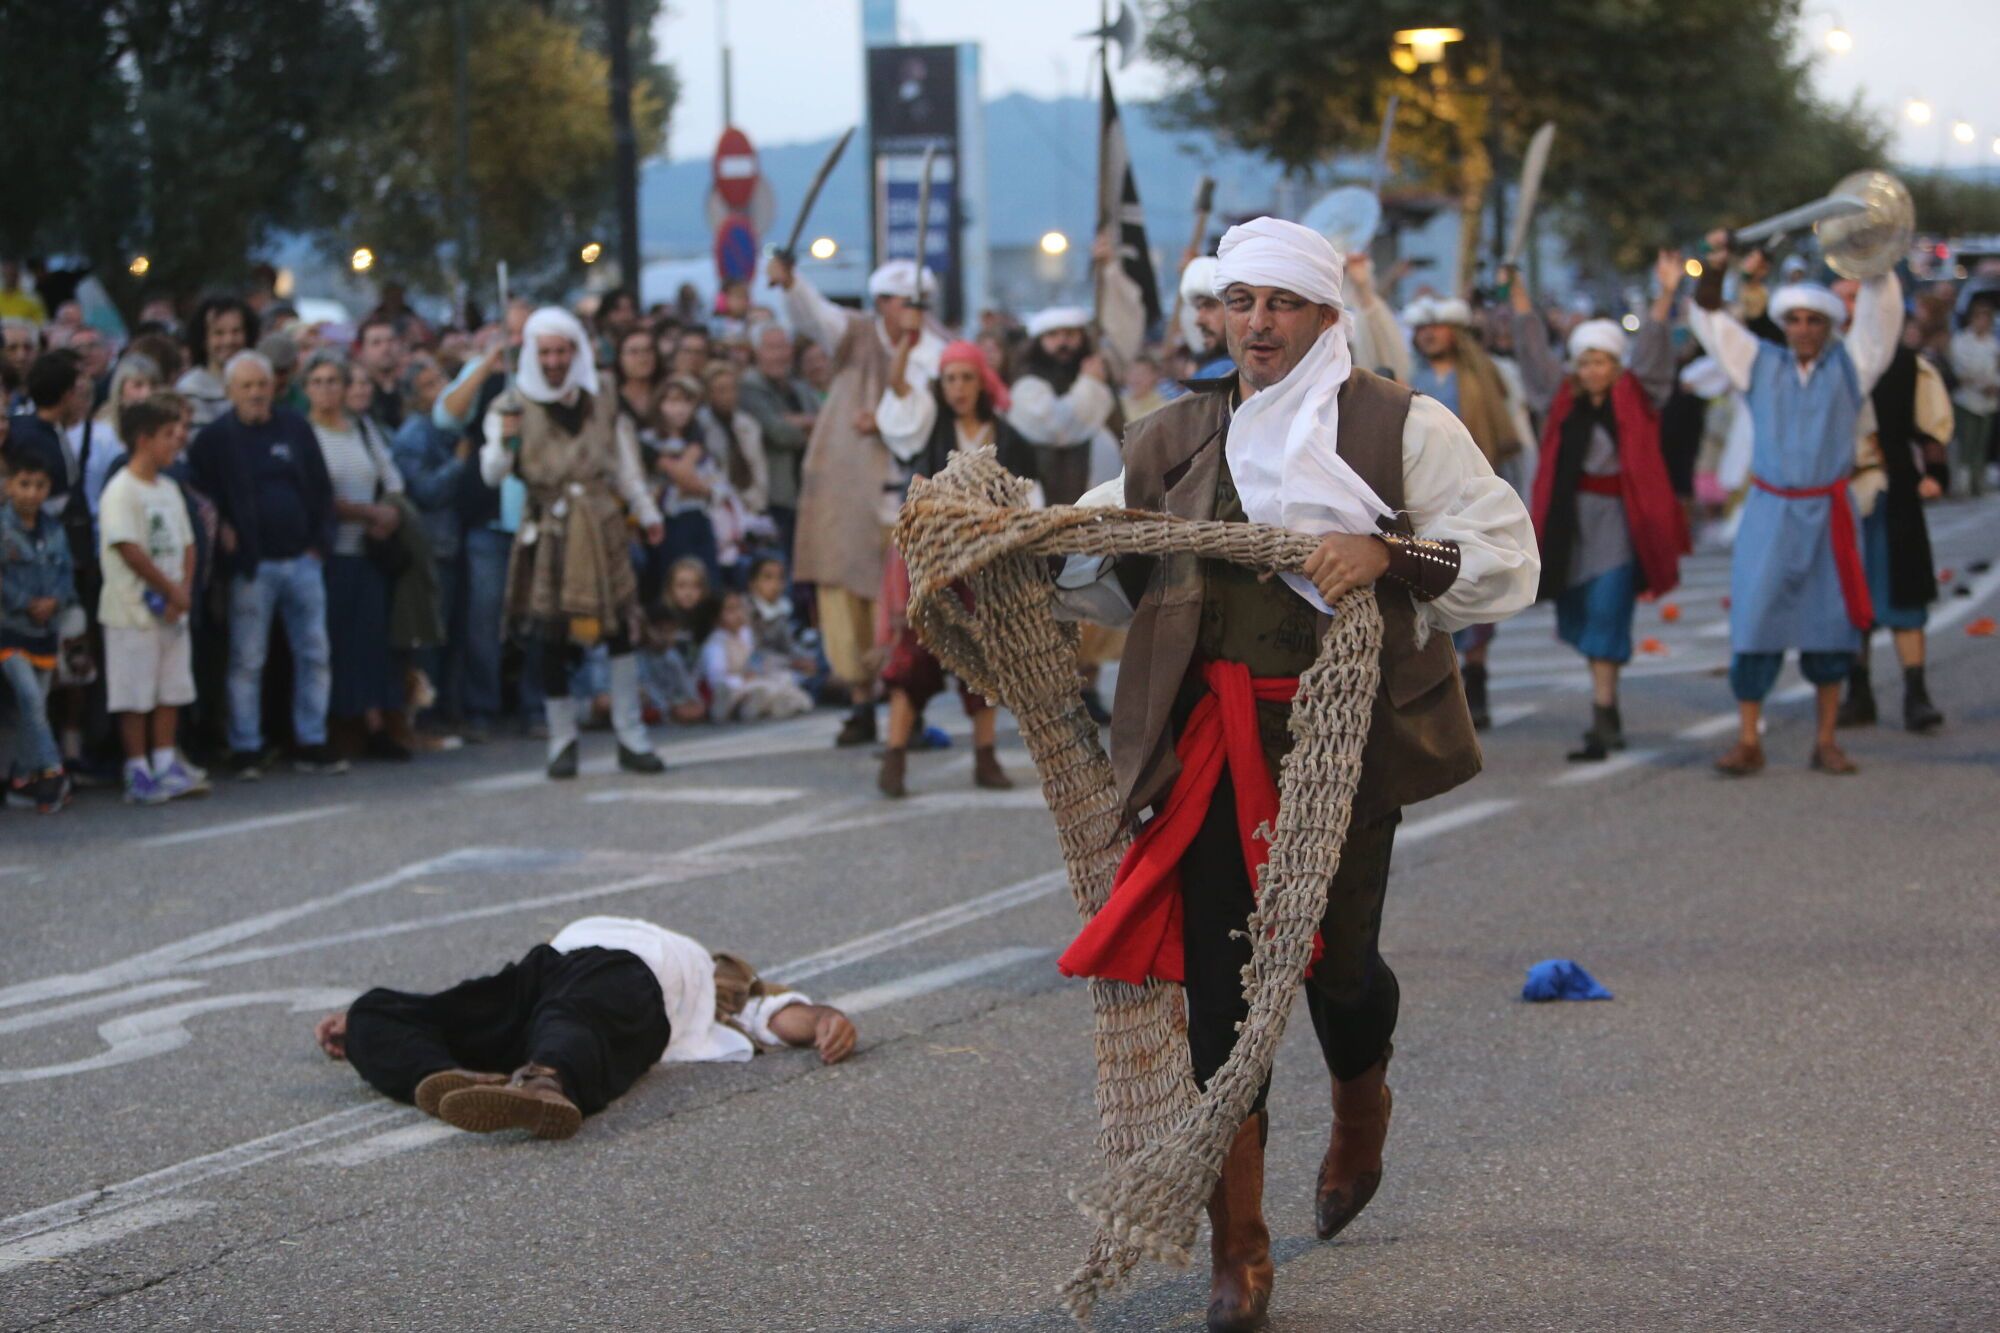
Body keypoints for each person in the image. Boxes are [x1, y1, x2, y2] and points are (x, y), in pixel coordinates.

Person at [1053, 217, 1537, 1332]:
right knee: (1226, 993)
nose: (1255, 324)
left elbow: (1505, 559)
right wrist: (1006, 562)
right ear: (1216, 314)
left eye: (1280, 304)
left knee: (1337, 965)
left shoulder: (1397, 424)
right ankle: (1241, 1248)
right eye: (1239, 303)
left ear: (1326, 316)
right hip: (1212, 744)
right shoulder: (1168, 433)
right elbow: (1094, 563)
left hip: (1344, 741)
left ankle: (1359, 1101)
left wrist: (1387, 552)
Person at [314, 915, 857, 1140]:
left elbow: (783, 1017)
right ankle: (445, 1073)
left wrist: (826, 1020)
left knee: (573, 1018)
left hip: (628, 978)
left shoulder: (718, 990)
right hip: (546, 970)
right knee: (377, 1008)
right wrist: (371, 1024)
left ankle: (544, 1081)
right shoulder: (699, 971)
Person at [1687, 229, 1901, 776]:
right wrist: (1716, 265)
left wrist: (1875, 253)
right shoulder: (1759, 363)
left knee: (1830, 629)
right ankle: (1748, 739)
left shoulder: (1852, 366)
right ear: (1785, 325)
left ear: (1830, 327)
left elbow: (1880, 319)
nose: (1804, 329)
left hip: (1829, 513)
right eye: (1796, 320)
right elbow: (1710, 320)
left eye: (1815, 320)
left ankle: (1826, 739)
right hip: (1770, 512)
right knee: (1755, 623)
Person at [767, 253, 945, 749]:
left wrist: (885, 421)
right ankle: (861, 700)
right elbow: (815, 315)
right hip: (850, 494)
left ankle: (903, 706)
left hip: (906, 501)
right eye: (895, 301)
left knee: (904, 609)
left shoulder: (935, 351)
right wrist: (792, 283)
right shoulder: (855, 337)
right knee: (846, 598)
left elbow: (922, 415)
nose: (903, 310)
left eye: (913, 302)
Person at [479, 306, 666, 779]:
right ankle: (562, 740)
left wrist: (646, 511)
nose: (555, 361)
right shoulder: (512, 405)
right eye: (546, 352)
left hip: (601, 521)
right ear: (532, 354)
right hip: (551, 525)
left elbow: (625, 463)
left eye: (563, 351)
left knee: (620, 628)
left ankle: (631, 736)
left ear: (576, 350)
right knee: (549, 636)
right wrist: (506, 441)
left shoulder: (601, 395)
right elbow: (491, 473)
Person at [1517, 253, 1688, 760]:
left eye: (1601, 362)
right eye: (1585, 361)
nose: (1592, 370)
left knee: (1609, 611)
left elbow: (1656, 352)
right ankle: (1604, 706)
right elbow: (1532, 355)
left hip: (1620, 521)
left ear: (1616, 367)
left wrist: (1665, 294)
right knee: (1578, 614)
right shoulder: (1561, 399)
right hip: (1571, 524)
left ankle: (1604, 715)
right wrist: (1520, 298)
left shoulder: (1638, 396)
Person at [875, 335, 1030, 796]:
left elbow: (1026, 494)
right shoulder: (932, 432)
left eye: (966, 378)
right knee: (912, 656)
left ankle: (985, 756)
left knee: (982, 655)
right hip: (933, 562)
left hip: (984, 565)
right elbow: (914, 485)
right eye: (949, 380)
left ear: (981, 381)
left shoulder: (1007, 435)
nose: (958, 388)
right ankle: (895, 755)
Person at [187, 350, 343, 778]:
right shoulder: (216, 439)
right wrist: (225, 535)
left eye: (262, 385)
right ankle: (245, 746)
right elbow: (198, 494)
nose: (256, 394)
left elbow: (320, 489)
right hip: (252, 568)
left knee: (314, 653)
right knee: (247, 660)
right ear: (229, 392)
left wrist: (319, 544)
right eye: (247, 387)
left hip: (303, 560)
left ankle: (312, 740)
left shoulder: (295, 427)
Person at [1402, 294, 1525, 729]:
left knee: (1475, 582)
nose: (1430, 335)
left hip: (1474, 493)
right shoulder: (1407, 379)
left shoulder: (1487, 377)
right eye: (1422, 329)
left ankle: (1477, 674)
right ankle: (1446, 690)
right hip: (1422, 501)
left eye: (1437, 327)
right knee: (1430, 593)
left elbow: (1511, 434)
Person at [1836, 280, 1952, 733]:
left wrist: (1935, 476)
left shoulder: (1904, 365)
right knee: (1850, 596)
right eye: (1842, 298)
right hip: (1840, 496)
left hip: (1893, 491)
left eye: (1854, 298)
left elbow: (1931, 425)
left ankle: (1915, 693)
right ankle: (1858, 691)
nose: (1848, 307)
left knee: (1903, 591)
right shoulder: (1825, 363)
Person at [98, 394, 207, 803]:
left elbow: (188, 544)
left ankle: (165, 762)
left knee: (169, 690)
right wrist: (169, 588)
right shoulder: (121, 490)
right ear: (143, 439)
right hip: (133, 611)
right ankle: (138, 769)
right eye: (167, 435)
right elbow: (129, 549)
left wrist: (184, 591)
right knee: (135, 693)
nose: (175, 442)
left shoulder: (169, 488)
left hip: (171, 610)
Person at [303, 353, 411, 761]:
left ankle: (376, 724)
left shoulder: (362, 429)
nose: (327, 389)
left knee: (371, 642)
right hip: (330, 553)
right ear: (306, 388)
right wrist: (366, 513)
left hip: (369, 552)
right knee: (332, 643)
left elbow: (391, 477)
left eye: (334, 380)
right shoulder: (306, 434)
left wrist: (390, 511)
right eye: (318, 381)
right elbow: (316, 495)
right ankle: (333, 727)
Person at [0, 453, 77, 813]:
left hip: (44, 631)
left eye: (39, 486)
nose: (31, 493)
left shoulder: (52, 528)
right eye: (24, 484)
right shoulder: (3, 528)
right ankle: (52, 772)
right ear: (9, 485)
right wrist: (24, 601)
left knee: (33, 709)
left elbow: (66, 574)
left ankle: (21, 779)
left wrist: (55, 600)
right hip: (10, 630)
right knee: (30, 698)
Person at [1006, 307, 1118, 507]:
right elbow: (1057, 426)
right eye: (1053, 335)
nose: (1062, 342)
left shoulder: (1098, 376)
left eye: (1070, 334)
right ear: (1038, 341)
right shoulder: (1027, 384)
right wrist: (1090, 384)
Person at [738, 324, 819, 561]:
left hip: (805, 494)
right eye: (772, 348)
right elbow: (779, 433)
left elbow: (826, 425)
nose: (780, 354)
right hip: (775, 496)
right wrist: (805, 425)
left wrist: (799, 421)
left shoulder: (799, 388)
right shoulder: (749, 387)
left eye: (784, 347)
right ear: (756, 352)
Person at [696, 361, 771, 584]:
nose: (728, 396)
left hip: (751, 505)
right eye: (720, 390)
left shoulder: (747, 424)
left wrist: (755, 503)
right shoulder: (700, 425)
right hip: (720, 510)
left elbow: (759, 467)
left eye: (731, 389)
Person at [699, 589, 812, 721]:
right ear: (716, 618)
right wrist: (741, 680)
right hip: (733, 688)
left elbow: (756, 659)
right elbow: (716, 680)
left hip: (751, 678)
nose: (738, 614)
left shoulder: (746, 634)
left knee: (783, 677)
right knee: (756, 689)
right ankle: (745, 707)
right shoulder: (715, 644)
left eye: (739, 607)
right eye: (730, 610)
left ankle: (773, 704)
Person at [85, 353, 163, 520]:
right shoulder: (101, 433)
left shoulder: (164, 433)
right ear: (120, 391)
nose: (147, 393)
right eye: (138, 385)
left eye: (153, 386)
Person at [177, 296, 259, 429]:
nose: (229, 340)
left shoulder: (260, 381)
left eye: (236, 331)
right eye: (218, 333)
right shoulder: (191, 389)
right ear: (203, 339)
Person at [1946, 298, 1998, 496]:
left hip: (1988, 400)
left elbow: (1996, 368)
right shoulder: (1961, 341)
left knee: (1981, 443)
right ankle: (1964, 482)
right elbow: (1961, 369)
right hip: (1967, 399)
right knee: (1967, 441)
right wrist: (1981, 384)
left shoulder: (1992, 343)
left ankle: (1979, 480)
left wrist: (1994, 385)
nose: (1983, 323)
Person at [352, 315, 406, 431]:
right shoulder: (356, 394)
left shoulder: (410, 387)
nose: (386, 348)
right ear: (361, 351)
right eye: (376, 343)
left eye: (391, 341)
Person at [0, 259, 48, 325]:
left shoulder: (32, 298)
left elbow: (42, 322)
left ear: (18, 275)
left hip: (26, 333)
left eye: (12, 274)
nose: (9, 278)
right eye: (6, 274)